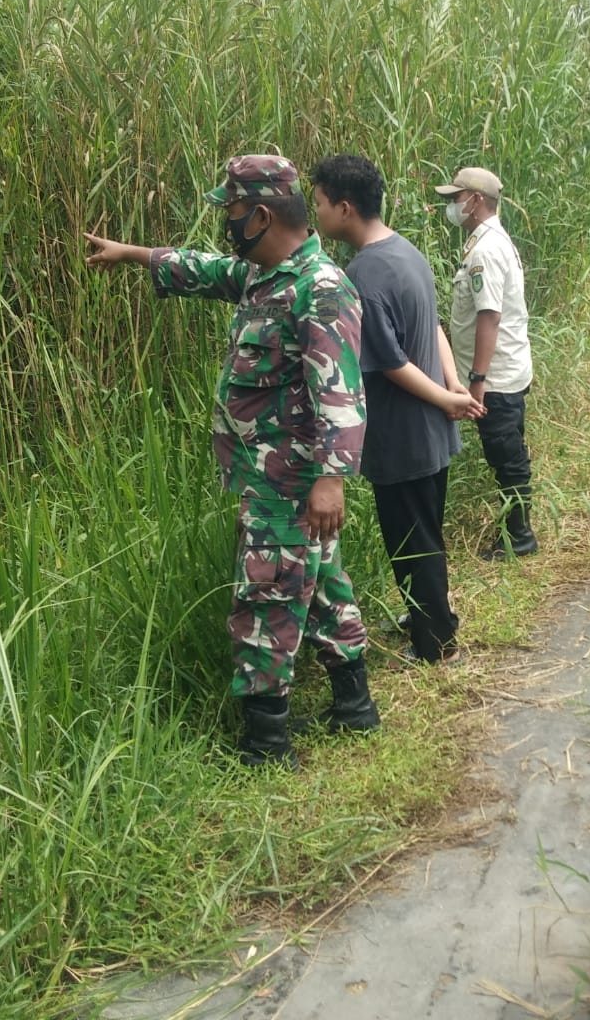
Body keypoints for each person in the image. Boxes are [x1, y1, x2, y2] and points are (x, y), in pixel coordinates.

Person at [83, 154, 378, 769]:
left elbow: (341, 393)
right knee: (321, 585)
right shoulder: (262, 276)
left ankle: (265, 744)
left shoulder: (318, 287)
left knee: (267, 597)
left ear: (262, 214)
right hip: (275, 478)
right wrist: (133, 253)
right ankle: (354, 705)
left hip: (289, 481)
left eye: (234, 211)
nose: (227, 222)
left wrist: (330, 480)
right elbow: (206, 269)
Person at [309, 154, 483, 664]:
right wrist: (451, 388)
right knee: (427, 529)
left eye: (319, 203)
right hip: (431, 429)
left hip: (403, 436)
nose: (314, 212)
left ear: (345, 208)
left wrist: (446, 394)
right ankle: (436, 617)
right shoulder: (406, 251)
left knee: (413, 541)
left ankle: (436, 647)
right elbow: (432, 328)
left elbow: (390, 363)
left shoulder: (363, 273)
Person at [435, 167, 538, 559]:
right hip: (503, 369)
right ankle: (516, 528)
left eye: (456, 198)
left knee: (504, 453)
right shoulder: (490, 242)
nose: (453, 206)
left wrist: (477, 379)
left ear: (476, 200)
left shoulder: (486, 250)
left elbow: (489, 317)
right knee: (508, 450)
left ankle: (519, 536)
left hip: (495, 377)